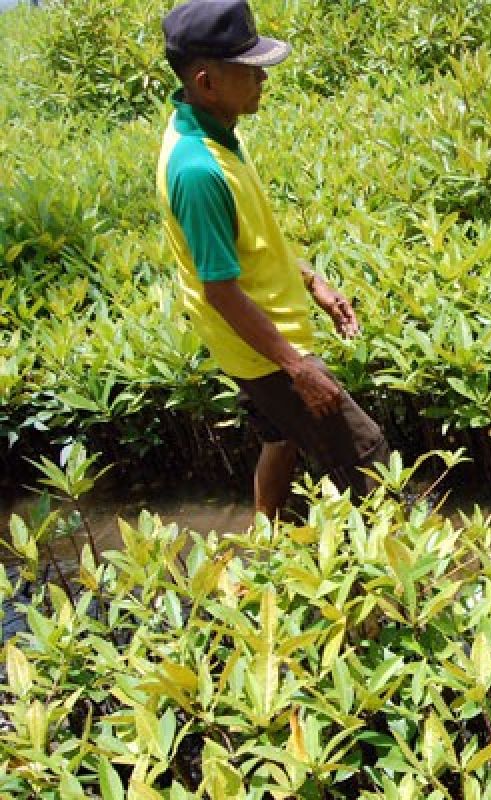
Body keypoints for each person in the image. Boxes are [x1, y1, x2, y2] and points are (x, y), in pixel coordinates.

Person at [157, 0, 389, 517]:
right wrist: (298, 367)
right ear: (206, 80)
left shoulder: (214, 129)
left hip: (261, 344)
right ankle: (408, 581)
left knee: (280, 440)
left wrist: (311, 281)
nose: (263, 79)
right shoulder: (197, 169)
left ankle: (265, 548)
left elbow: (252, 235)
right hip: (266, 352)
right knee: (370, 457)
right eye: (251, 70)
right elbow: (220, 290)